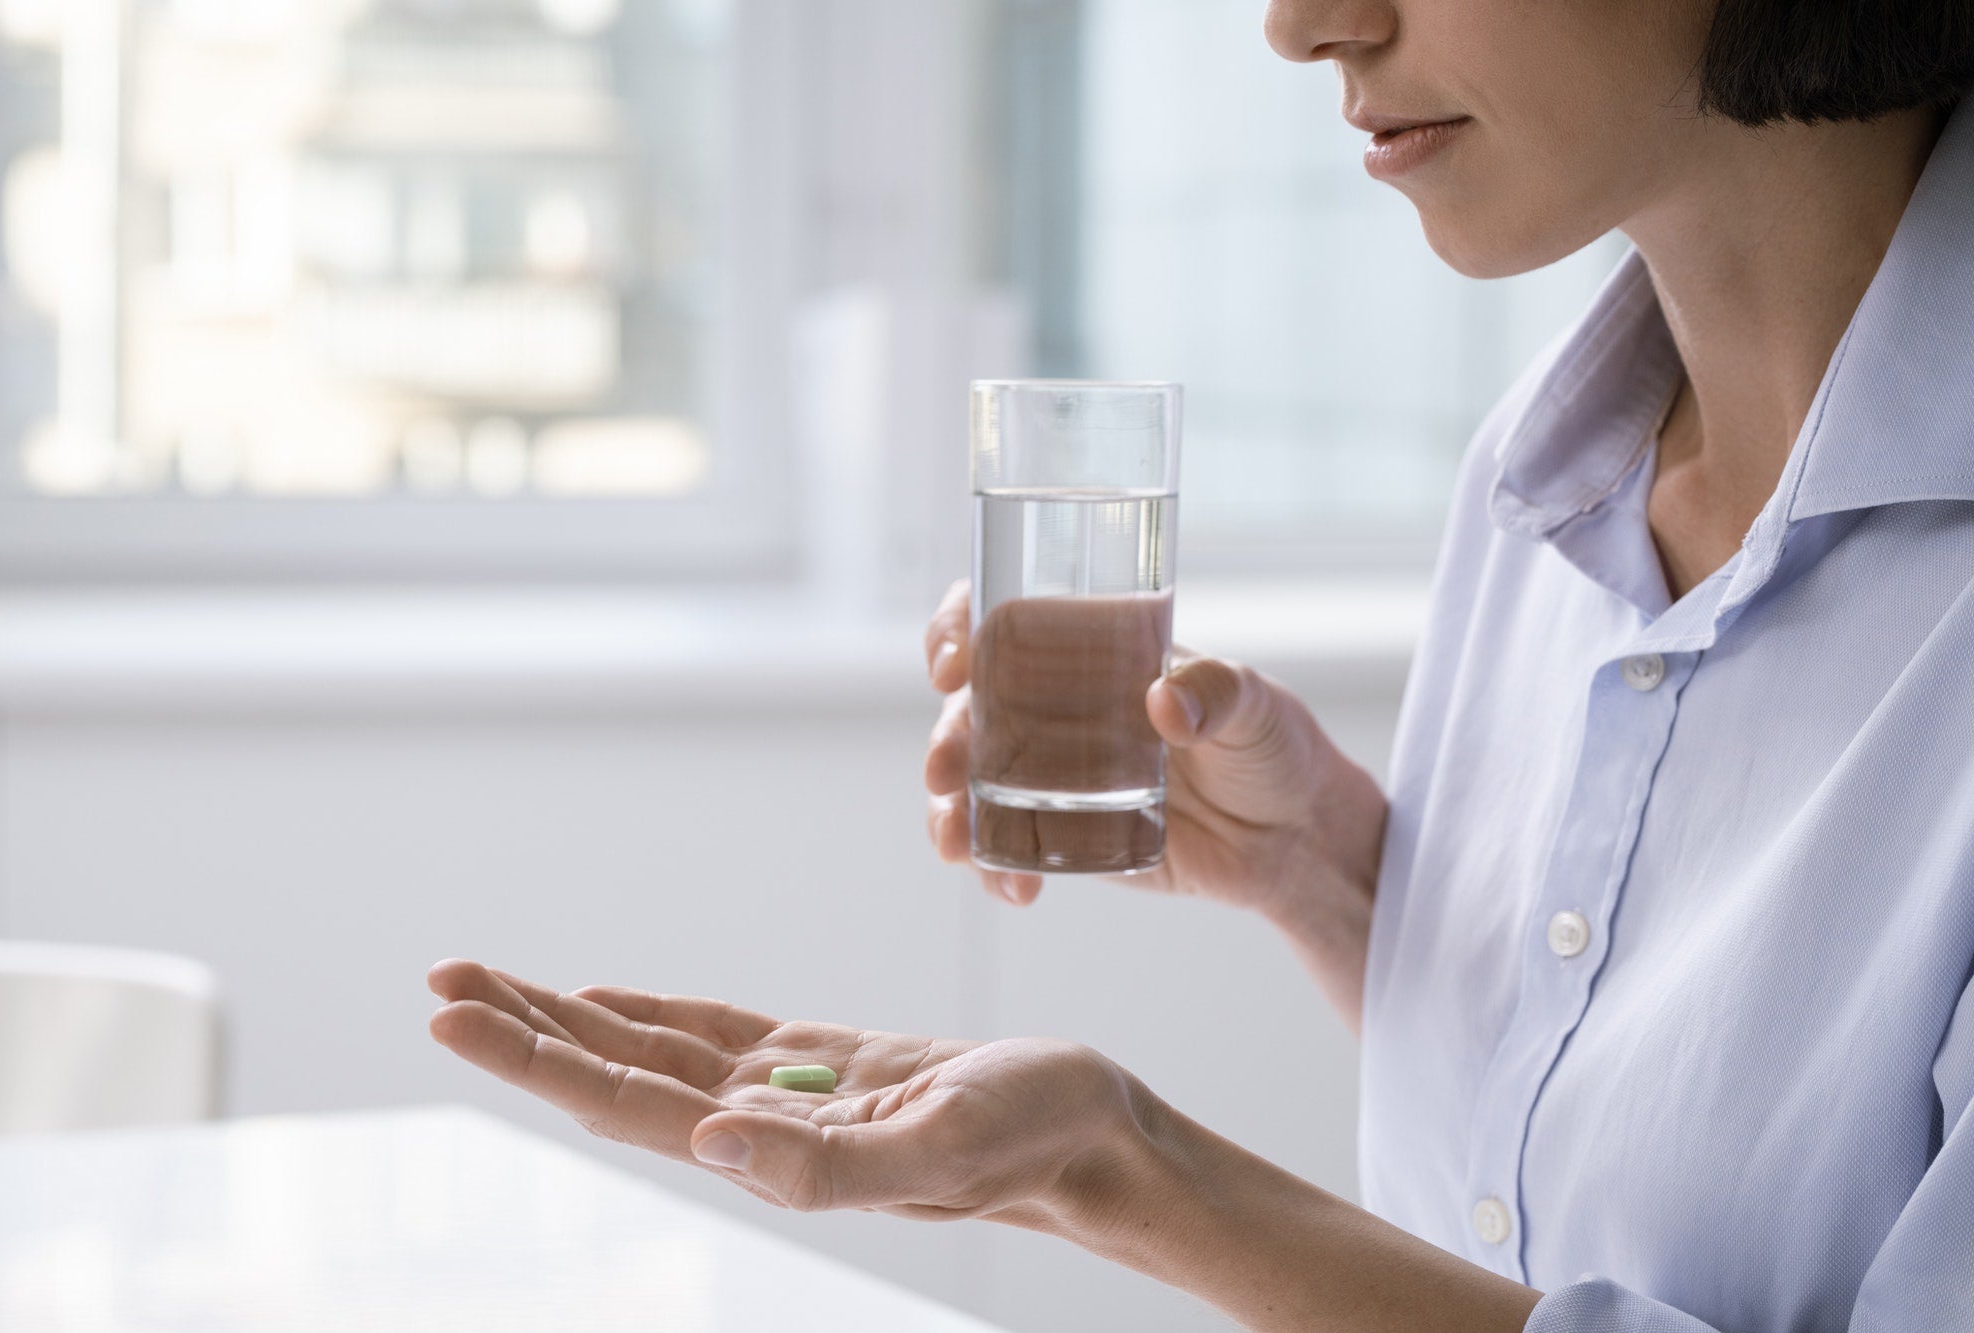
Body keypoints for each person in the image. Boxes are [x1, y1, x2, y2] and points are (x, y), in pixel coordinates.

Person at [426, 0, 1974, 1325]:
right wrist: (1336, 878)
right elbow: (1634, 1143)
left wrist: (1122, 1169)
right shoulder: (1546, 481)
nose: (1303, 23)